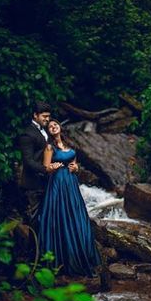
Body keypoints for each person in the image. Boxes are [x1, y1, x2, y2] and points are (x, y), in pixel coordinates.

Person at [38, 118, 101, 277]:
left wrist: (76, 168)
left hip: (71, 184)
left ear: (60, 127)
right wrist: (51, 167)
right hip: (58, 183)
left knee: (76, 216)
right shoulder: (49, 147)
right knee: (61, 216)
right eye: (50, 126)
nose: (53, 127)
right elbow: (45, 168)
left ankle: (83, 254)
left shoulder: (69, 147)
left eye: (55, 125)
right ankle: (64, 260)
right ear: (48, 131)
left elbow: (75, 166)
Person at [19, 101, 53, 229]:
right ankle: (33, 249)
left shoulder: (44, 130)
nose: (47, 119)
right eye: (44, 116)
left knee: (45, 218)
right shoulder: (27, 135)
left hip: (45, 182)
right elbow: (28, 161)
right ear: (35, 115)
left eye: (48, 116)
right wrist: (46, 169)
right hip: (33, 184)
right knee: (34, 220)